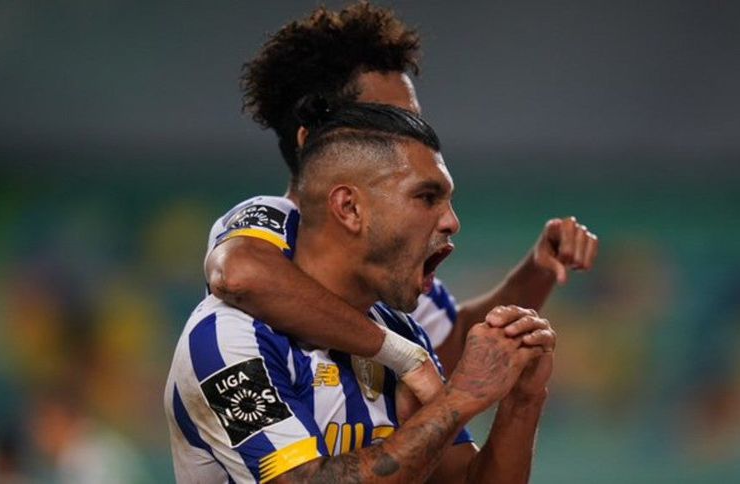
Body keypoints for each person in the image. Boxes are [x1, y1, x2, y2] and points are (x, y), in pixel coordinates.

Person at [205, 1, 597, 401]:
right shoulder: (271, 223)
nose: (411, 136)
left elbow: (449, 348)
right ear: (313, 141)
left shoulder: (390, 261)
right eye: (385, 121)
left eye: (414, 120)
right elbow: (240, 273)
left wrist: (537, 270)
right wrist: (399, 353)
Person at [165, 101, 556, 483]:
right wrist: (459, 397)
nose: (452, 222)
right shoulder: (225, 337)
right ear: (349, 207)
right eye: (427, 197)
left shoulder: (401, 333)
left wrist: (523, 401)